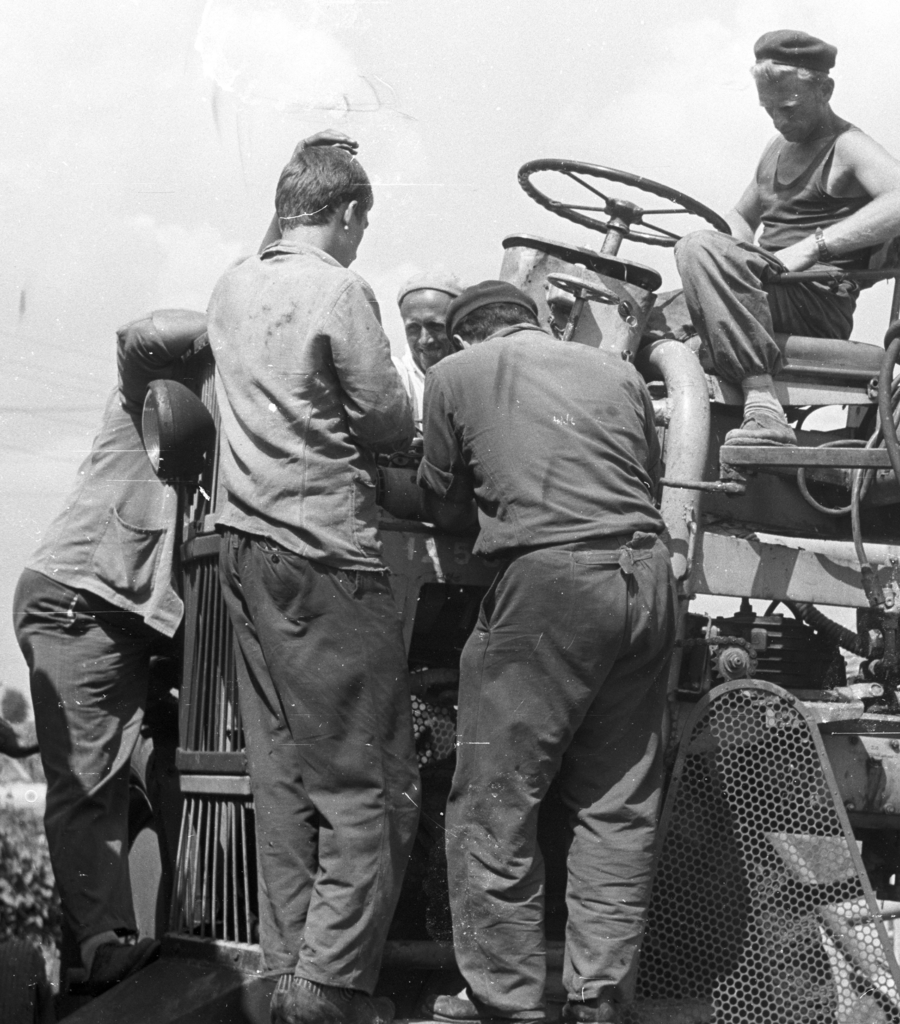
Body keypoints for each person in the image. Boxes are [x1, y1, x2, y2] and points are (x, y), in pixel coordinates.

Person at [418, 281, 676, 1024]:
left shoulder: (454, 375)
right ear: (535, 321)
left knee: (494, 803)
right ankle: (597, 1000)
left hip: (551, 583)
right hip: (647, 578)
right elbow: (647, 482)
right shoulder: (620, 372)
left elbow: (441, 502)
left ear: (469, 335)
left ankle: (503, 1001)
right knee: (618, 802)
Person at [207, 132, 419, 1024]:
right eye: (360, 224)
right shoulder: (338, 287)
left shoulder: (231, 285)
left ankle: (288, 971)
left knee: (284, 776)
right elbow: (385, 417)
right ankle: (328, 991)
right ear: (346, 213)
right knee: (374, 784)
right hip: (325, 552)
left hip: (240, 552)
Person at [11, 308, 208, 993]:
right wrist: (235, 326)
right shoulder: (151, 384)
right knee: (89, 779)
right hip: (82, 598)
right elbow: (138, 334)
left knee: (182, 760)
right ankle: (101, 947)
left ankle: (184, 922)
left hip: (137, 615)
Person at [668, 29, 900, 445]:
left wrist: (811, 247)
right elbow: (740, 214)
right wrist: (737, 253)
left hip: (814, 298)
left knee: (698, 247)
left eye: (788, 108)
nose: (779, 120)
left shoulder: (847, 147)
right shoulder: (777, 148)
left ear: (824, 89)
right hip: (769, 287)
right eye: (769, 109)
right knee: (642, 308)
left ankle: (762, 402)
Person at [395, 269, 464, 419]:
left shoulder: (478, 375)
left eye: (435, 326)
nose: (424, 340)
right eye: (413, 328)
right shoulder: (397, 379)